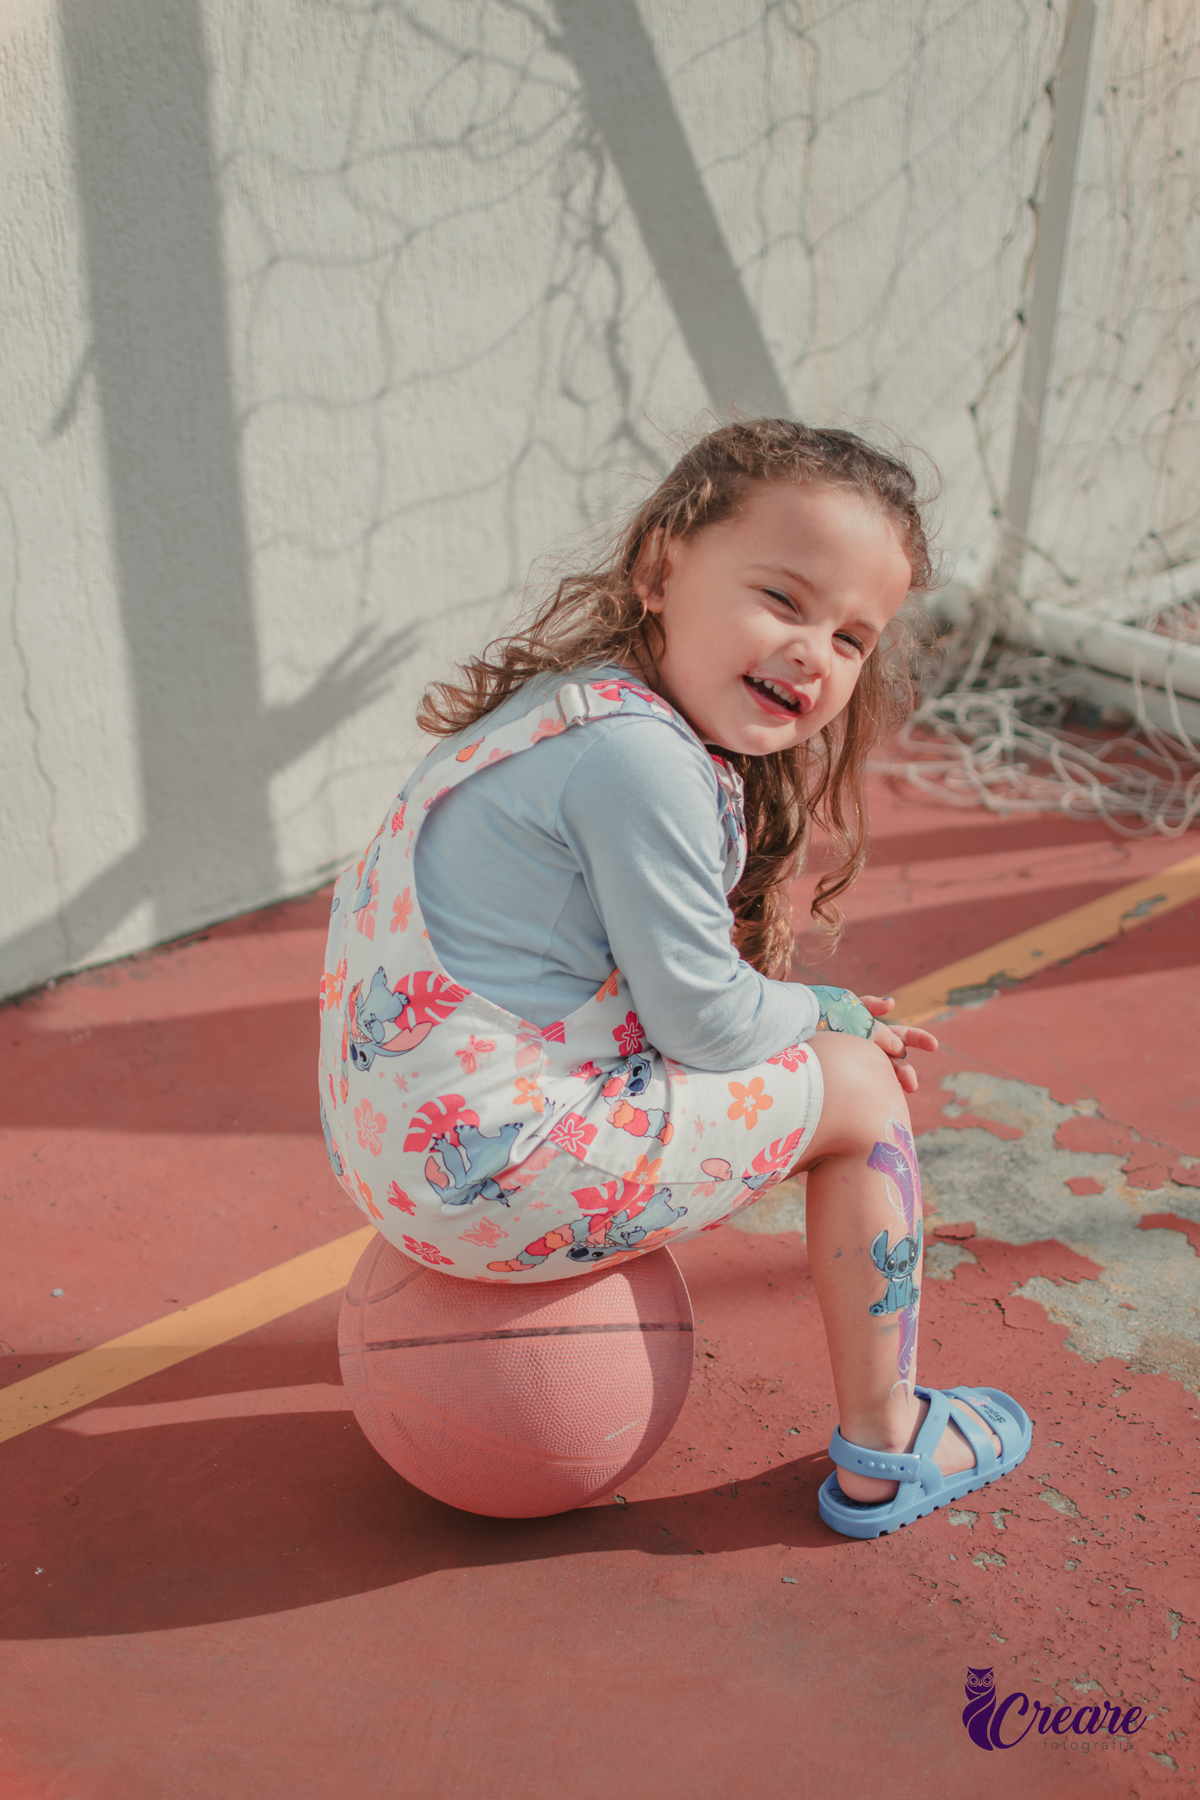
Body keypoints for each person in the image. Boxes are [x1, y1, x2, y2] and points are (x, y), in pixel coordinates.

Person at [317, 418, 1031, 1538]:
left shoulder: (570, 712)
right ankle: (888, 1444)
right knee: (859, 1092)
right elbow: (703, 1020)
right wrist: (832, 1013)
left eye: (853, 636)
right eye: (786, 601)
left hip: (393, 1158)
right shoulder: (640, 759)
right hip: (499, 1175)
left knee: (814, 1057)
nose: (815, 653)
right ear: (660, 566)